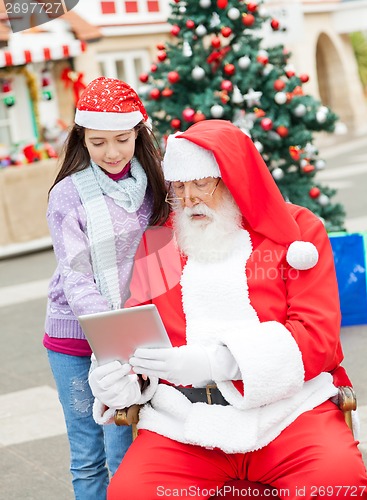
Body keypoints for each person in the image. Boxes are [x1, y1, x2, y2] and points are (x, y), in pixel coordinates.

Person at [88, 120, 367, 499]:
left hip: (289, 412)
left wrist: (219, 363)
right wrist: (124, 380)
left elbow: (317, 337)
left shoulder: (297, 232)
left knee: (337, 484)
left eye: (201, 183)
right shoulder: (160, 242)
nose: (188, 201)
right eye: (180, 188)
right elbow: (136, 335)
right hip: (184, 423)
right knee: (132, 493)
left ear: (234, 178)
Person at [43, 76, 169, 499]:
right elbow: (76, 277)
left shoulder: (156, 188)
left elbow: (164, 260)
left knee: (125, 451)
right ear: (82, 138)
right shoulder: (66, 196)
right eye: (97, 142)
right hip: (75, 341)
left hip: (131, 336)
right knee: (87, 456)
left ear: (138, 133)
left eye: (121, 139)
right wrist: (112, 335)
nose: (111, 153)